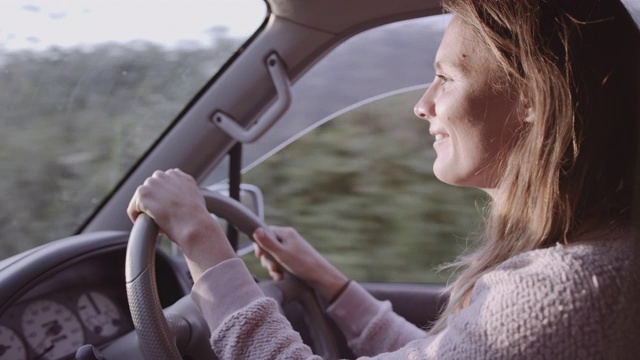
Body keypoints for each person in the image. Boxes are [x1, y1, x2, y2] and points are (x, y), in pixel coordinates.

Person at [127, 0, 640, 358]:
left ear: (533, 98)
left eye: (446, 77)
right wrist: (333, 285)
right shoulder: (596, 268)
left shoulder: (563, 291)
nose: (422, 105)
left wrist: (199, 238)